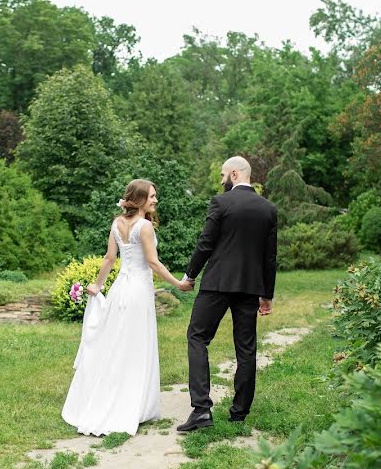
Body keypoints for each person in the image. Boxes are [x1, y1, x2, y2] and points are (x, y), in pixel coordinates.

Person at [62, 179, 189, 436]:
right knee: (136, 345)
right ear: (139, 199)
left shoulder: (117, 223)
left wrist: (98, 286)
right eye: (152, 196)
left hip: (120, 289)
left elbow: (110, 259)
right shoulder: (144, 227)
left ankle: (113, 396)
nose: (155, 200)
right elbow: (153, 263)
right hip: (138, 292)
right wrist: (179, 283)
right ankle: (133, 404)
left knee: (117, 344)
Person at [176, 156, 278, 432]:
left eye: (223, 175)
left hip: (217, 283)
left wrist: (190, 275)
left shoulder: (221, 203)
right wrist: (267, 294)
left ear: (234, 173)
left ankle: (201, 410)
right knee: (246, 349)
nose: (221, 180)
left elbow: (206, 243)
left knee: (197, 337)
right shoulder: (268, 208)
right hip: (249, 287)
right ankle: (239, 413)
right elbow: (270, 257)